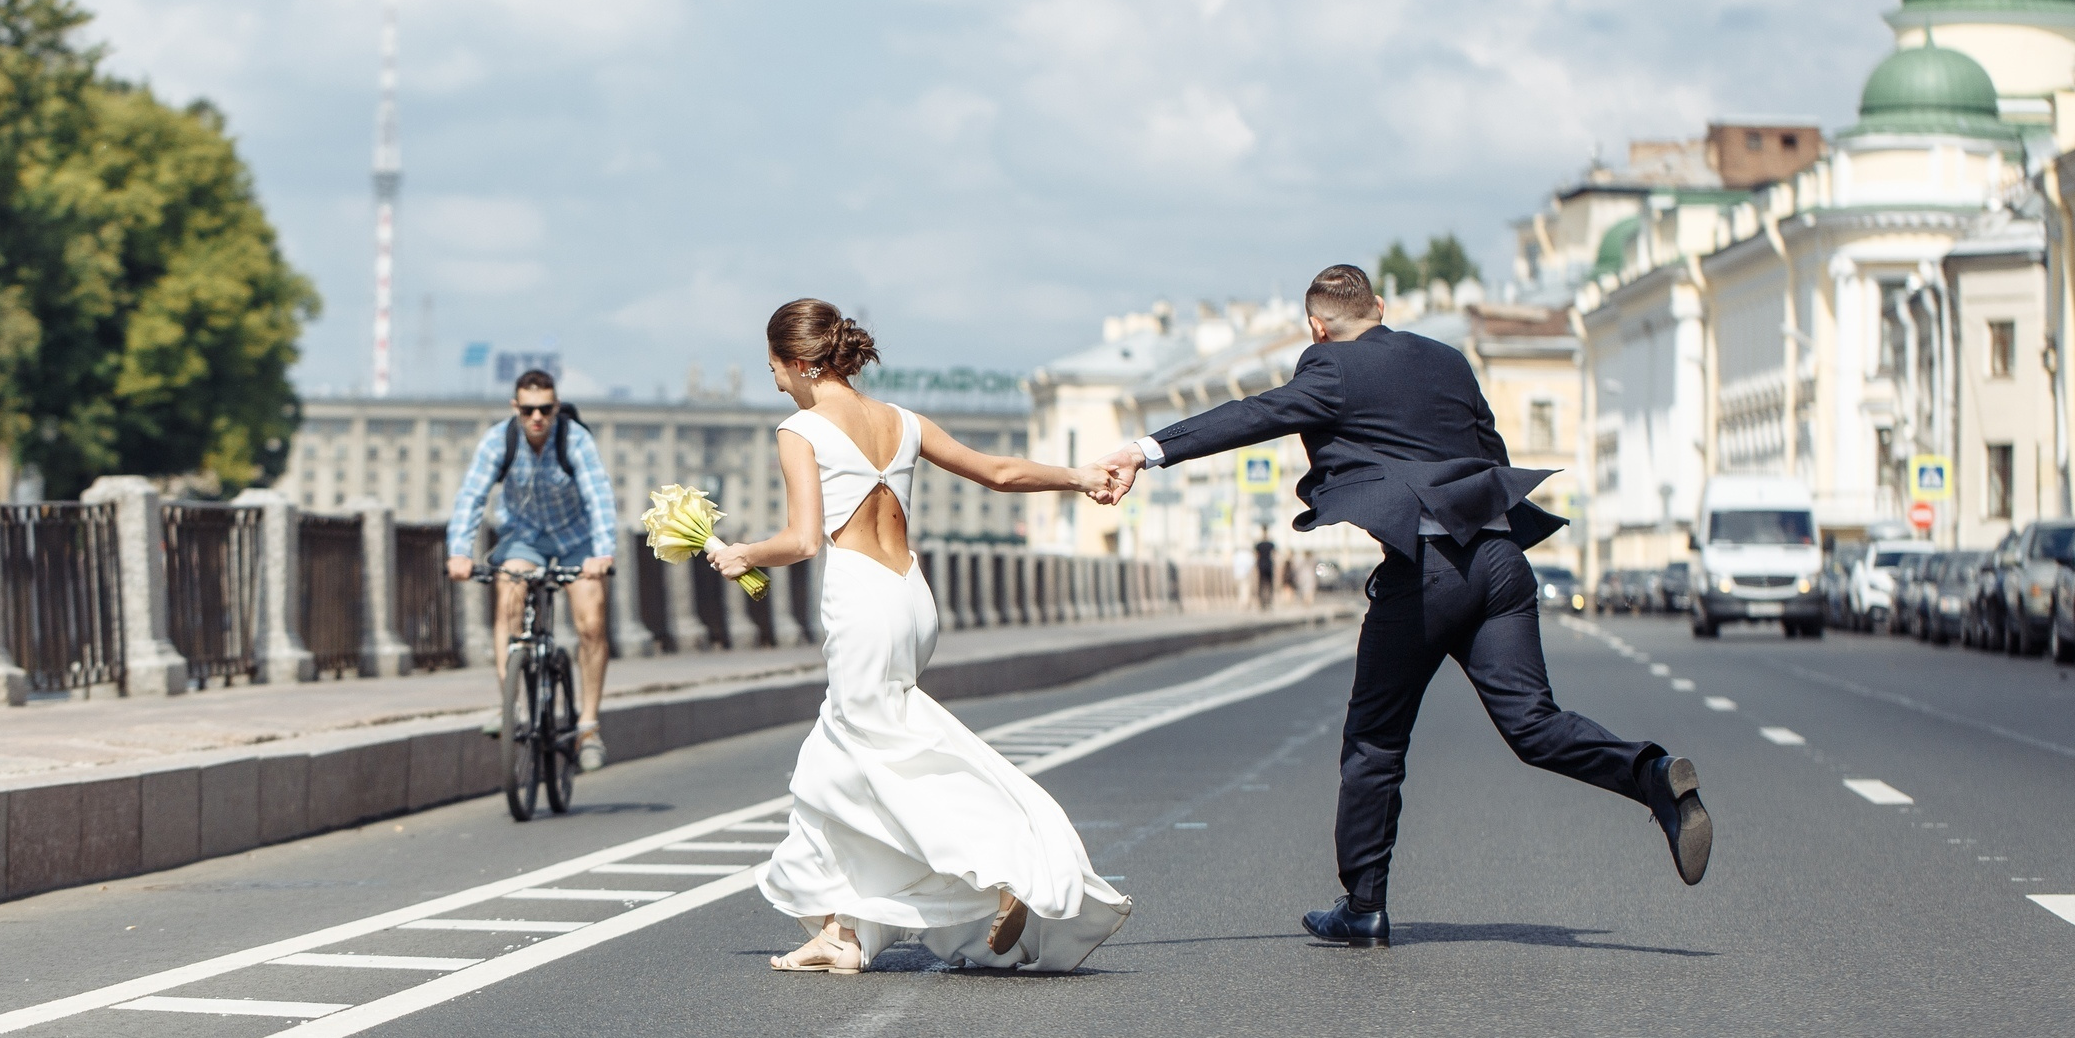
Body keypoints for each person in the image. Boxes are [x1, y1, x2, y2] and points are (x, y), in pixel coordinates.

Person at [1094, 264, 1712, 948]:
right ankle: (1650, 772)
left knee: (1375, 739)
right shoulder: (1449, 360)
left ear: (1317, 327)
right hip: (1501, 559)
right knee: (1535, 723)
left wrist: (1145, 452)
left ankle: (1363, 903)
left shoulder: (1329, 367)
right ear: (1381, 307)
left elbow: (1253, 414)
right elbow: (1492, 455)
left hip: (1425, 573)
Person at [707, 299, 1130, 973]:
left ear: (799, 362)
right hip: (911, 595)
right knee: (836, 762)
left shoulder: (801, 429)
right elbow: (996, 471)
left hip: (863, 602)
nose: (778, 385)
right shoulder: (901, 421)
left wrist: (743, 554)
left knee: (879, 760)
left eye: (775, 371)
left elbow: (804, 538)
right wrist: (1078, 476)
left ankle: (1001, 875)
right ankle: (841, 931)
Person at [446, 369, 619, 770]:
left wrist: (602, 554)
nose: (537, 418)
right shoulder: (498, 440)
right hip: (524, 537)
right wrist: (458, 552)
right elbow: (470, 496)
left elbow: (599, 497)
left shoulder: (574, 439)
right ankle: (514, 709)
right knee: (509, 592)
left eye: (544, 409)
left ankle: (588, 727)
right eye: (528, 410)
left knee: (591, 622)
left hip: (576, 538)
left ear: (556, 407)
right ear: (515, 408)